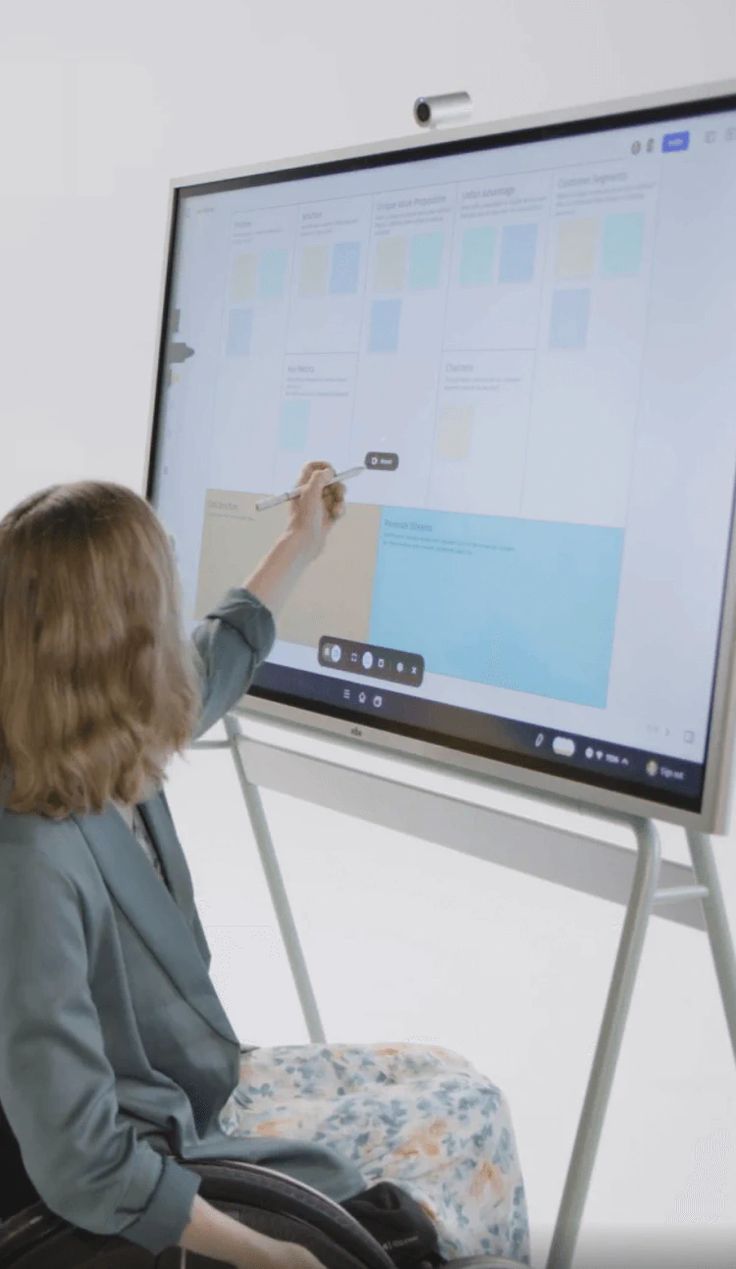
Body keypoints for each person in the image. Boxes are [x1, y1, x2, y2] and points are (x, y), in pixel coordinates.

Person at [0, 463, 530, 1268]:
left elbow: (216, 653)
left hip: (193, 1089)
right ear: (124, 644)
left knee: (450, 1075)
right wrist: (262, 1252)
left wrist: (300, 543)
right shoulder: (28, 860)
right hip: (157, 1154)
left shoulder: (106, 732)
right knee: (467, 1121)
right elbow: (82, 1158)